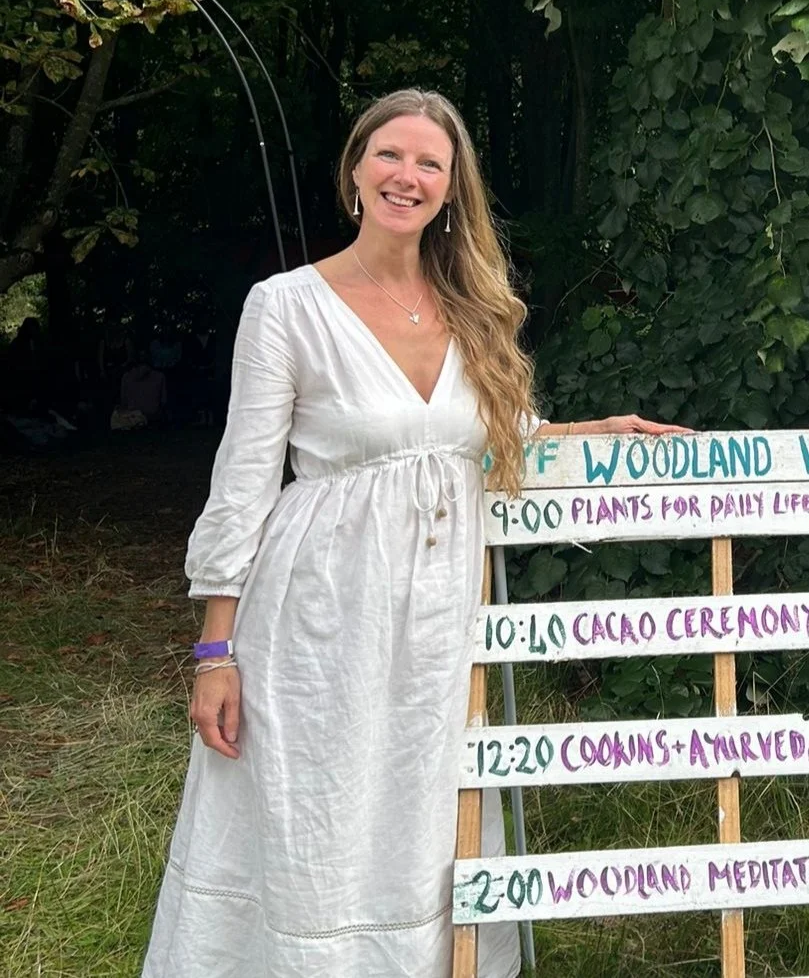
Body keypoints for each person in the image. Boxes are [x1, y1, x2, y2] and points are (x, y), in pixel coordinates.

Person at [141, 89, 686, 978]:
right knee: (319, 798)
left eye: (430, 163)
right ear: (355, 171)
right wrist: (215, 652)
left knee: (423, 801)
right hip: (320, 608)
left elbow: (488, 440)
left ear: (449, 188)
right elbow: (242, 483)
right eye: (390, 155)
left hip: (442, 612)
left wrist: (597, 434)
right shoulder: (285, 306)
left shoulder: (473, 304)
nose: (408, 175)